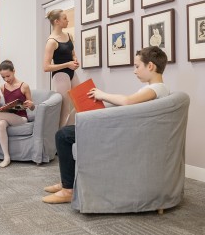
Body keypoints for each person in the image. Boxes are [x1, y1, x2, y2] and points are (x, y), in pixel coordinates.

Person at [42, 46, 170, 204]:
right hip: (123, 129)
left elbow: (127, 101)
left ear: (150, 66)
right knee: (67, 132)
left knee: (63, 135)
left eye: (137, 66)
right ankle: (66, 183)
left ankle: (68, 189)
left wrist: (102, 95)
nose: (134, 71)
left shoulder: (156, 89)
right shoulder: (157, 89)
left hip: (122, 134)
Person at [0, 60, 35, 168]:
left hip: (21, 118)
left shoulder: (24, 86)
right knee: (1, 124)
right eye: (3, 77)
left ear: (14, 71)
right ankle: (6, 157)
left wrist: (31, 104)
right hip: (9, 117)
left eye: (8, 76)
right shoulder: (3, 87)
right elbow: (8, 104)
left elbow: (32, 107)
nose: (6, 79)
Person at [43, 9, 80, 128]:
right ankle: (60, 141)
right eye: (65, 18)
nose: (67, 20)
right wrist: (67, 64)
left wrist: (75, 60)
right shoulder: (51, 41)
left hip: (72, 73)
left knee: (81, 103)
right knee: (65, 111)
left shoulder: (69, 35)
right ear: (57, 21)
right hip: (60, 75)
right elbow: (46, 67)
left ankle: (71, 132)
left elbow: (72, 53)